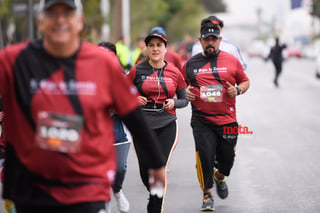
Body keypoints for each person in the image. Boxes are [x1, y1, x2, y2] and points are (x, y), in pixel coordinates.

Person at [0, 1, 165, 213]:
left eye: (67, 13)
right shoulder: (14, 60)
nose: (60, 20)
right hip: (31, 188)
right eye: (52, 14)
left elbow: (132, 114)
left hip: (86, 187)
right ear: (40, 21)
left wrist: (157, 163)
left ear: (80, 21)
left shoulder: (101, 64)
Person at [182, 16, 250, 211]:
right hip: (201, 120)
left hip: (228, 120)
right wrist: (183, 92)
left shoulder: (231, 61)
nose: (210, 42)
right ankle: (207, 195)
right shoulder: (190, 64)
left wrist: (237, 90)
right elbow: (178, 84)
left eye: (214, 39)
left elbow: (245, 81)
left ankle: (220, 177)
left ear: (219, 40)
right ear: (200, 40)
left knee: (227, 160)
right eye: (206, 39)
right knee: (204, 155)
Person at [127, 31, 188, 213]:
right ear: (146, 48)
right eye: (151, 45)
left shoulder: (174, 72)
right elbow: (120, 94)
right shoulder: (137, 70)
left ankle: (155, 207)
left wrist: (174, 102)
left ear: (165, 48)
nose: (155, 49)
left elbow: (184, 99)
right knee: (146, 172)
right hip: (142, 126)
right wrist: (133, 98)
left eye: (158, 45)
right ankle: (153, 192)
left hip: (167, 124)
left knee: (159, 167)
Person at [98, 41, 130, 213]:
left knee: (119, 168)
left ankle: (117, 191)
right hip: (95, 131)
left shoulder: (122, 78)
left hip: (119, 129)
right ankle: (104, 201)